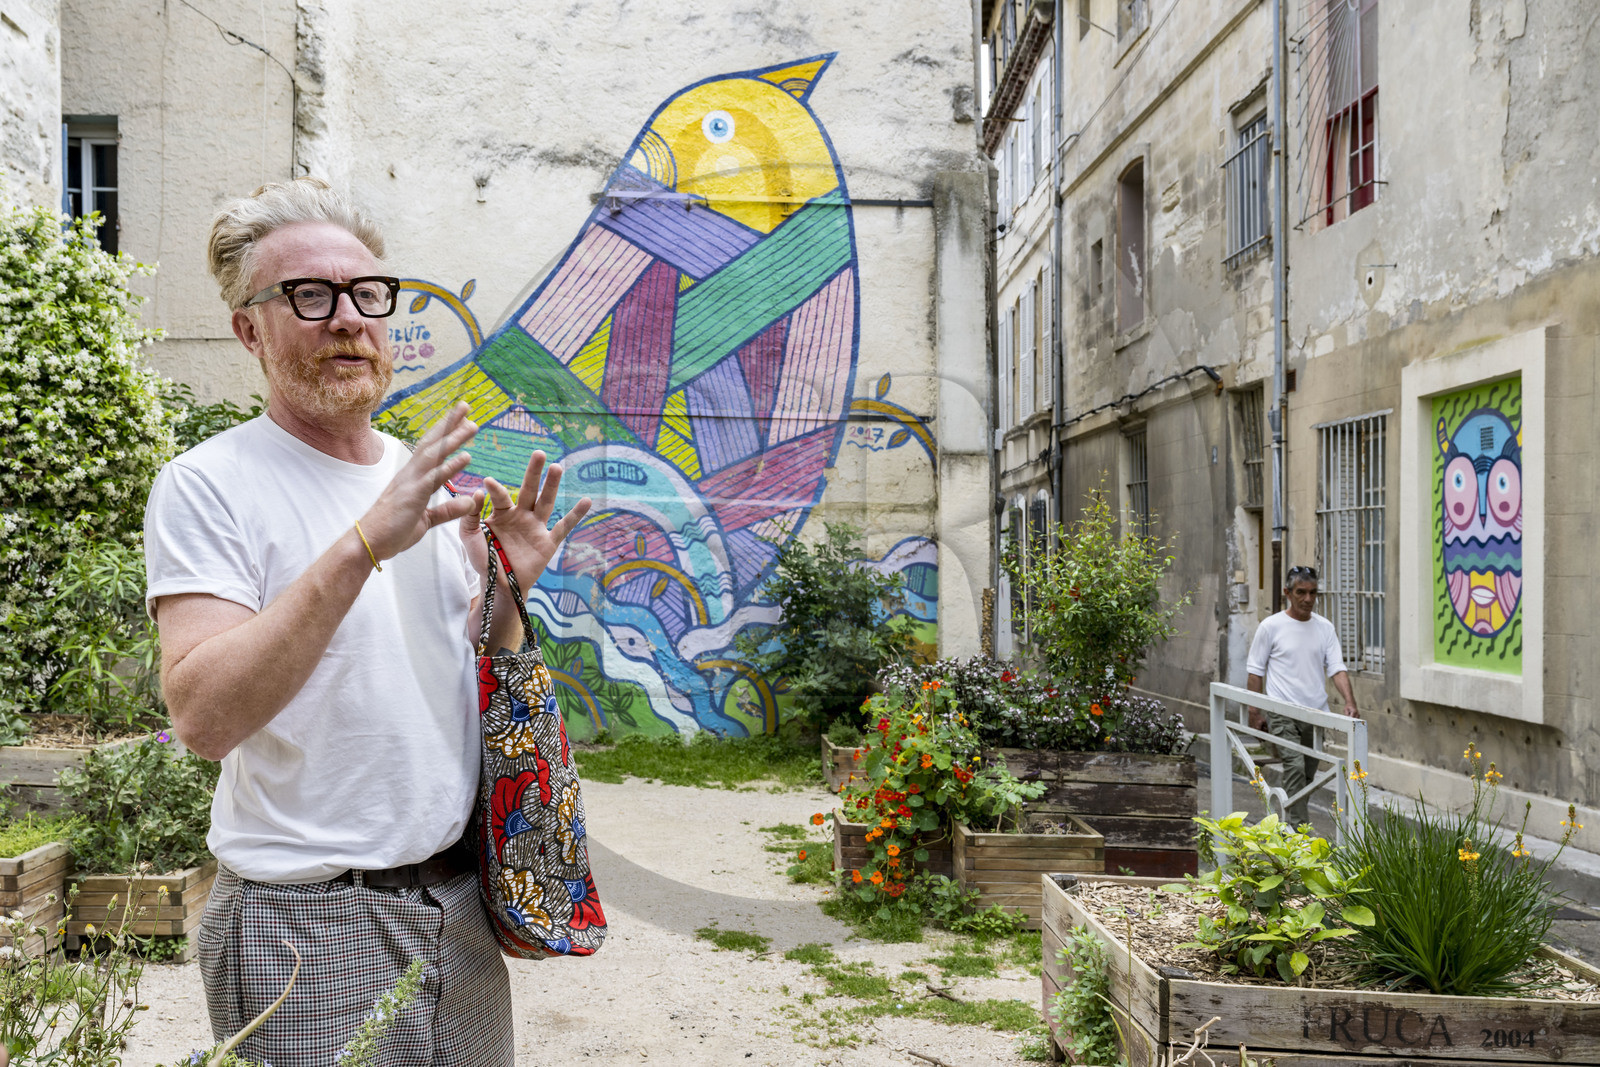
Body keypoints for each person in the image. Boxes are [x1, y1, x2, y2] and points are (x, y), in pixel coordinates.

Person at [144, 177, 591, 1066]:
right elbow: (203, 717)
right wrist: (361, 546)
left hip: (454, 903)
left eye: (367, 293)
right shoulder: (208, 485)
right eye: (309, 295)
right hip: (302, 921)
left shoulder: (423, 477)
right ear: (249, 329)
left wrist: (507, 592)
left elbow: (440, 676)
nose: (347, 318)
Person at [1245, 565, 1360, 827]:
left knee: (1307, 774)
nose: (1308, 599)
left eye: (1313, 593)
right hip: (1282, 712)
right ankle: (1297, 832)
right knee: (1295, 767)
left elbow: (1337, 668)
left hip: (1315, 714)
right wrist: (1254, 712)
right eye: (1301, 592)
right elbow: (1255, 671)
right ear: (1287, 593)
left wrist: (1349, 701)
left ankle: (1285, 820)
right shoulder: (1271, 626)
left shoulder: (1324, 628)